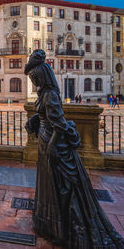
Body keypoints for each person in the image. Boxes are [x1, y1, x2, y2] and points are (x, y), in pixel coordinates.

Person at [24, 50, 124, 248]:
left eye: (35, 78)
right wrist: (37, 118)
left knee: (58, 186)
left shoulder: (50, 95)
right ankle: (51, 225)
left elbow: (59, 124)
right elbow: (48, 116)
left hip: (52, 144)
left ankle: (59, 228)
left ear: (42, 77)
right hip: (46, 140)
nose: (33, 81)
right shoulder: (46, 93)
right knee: (50, 184)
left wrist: (52, 146)